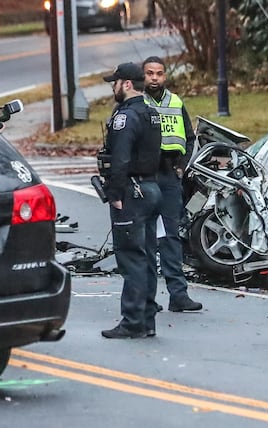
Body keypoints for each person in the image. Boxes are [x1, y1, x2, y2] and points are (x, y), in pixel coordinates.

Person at [99, 62, 163, 339]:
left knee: (131, 257)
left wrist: (115, 194)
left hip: (132, 192)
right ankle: (147, 319)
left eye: (114, 83)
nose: (112, 88)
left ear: (126, 84)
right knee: (147, 255)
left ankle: (133, 321)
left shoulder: (125, 117)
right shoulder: (151, 113)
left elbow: (121, 159)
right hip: (151, 187)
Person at [141, 55, 203, 313]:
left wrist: (181, 167)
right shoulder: (137, 102)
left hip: (168, 176)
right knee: (146, 238)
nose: (154, 78)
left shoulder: (176, 102)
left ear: (165, 76)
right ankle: (147, 299)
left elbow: (189, 137)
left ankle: (178, 295)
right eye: (150, 73)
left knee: (171, 237)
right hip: (145, 176)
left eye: (159, 73)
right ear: (143, 76)